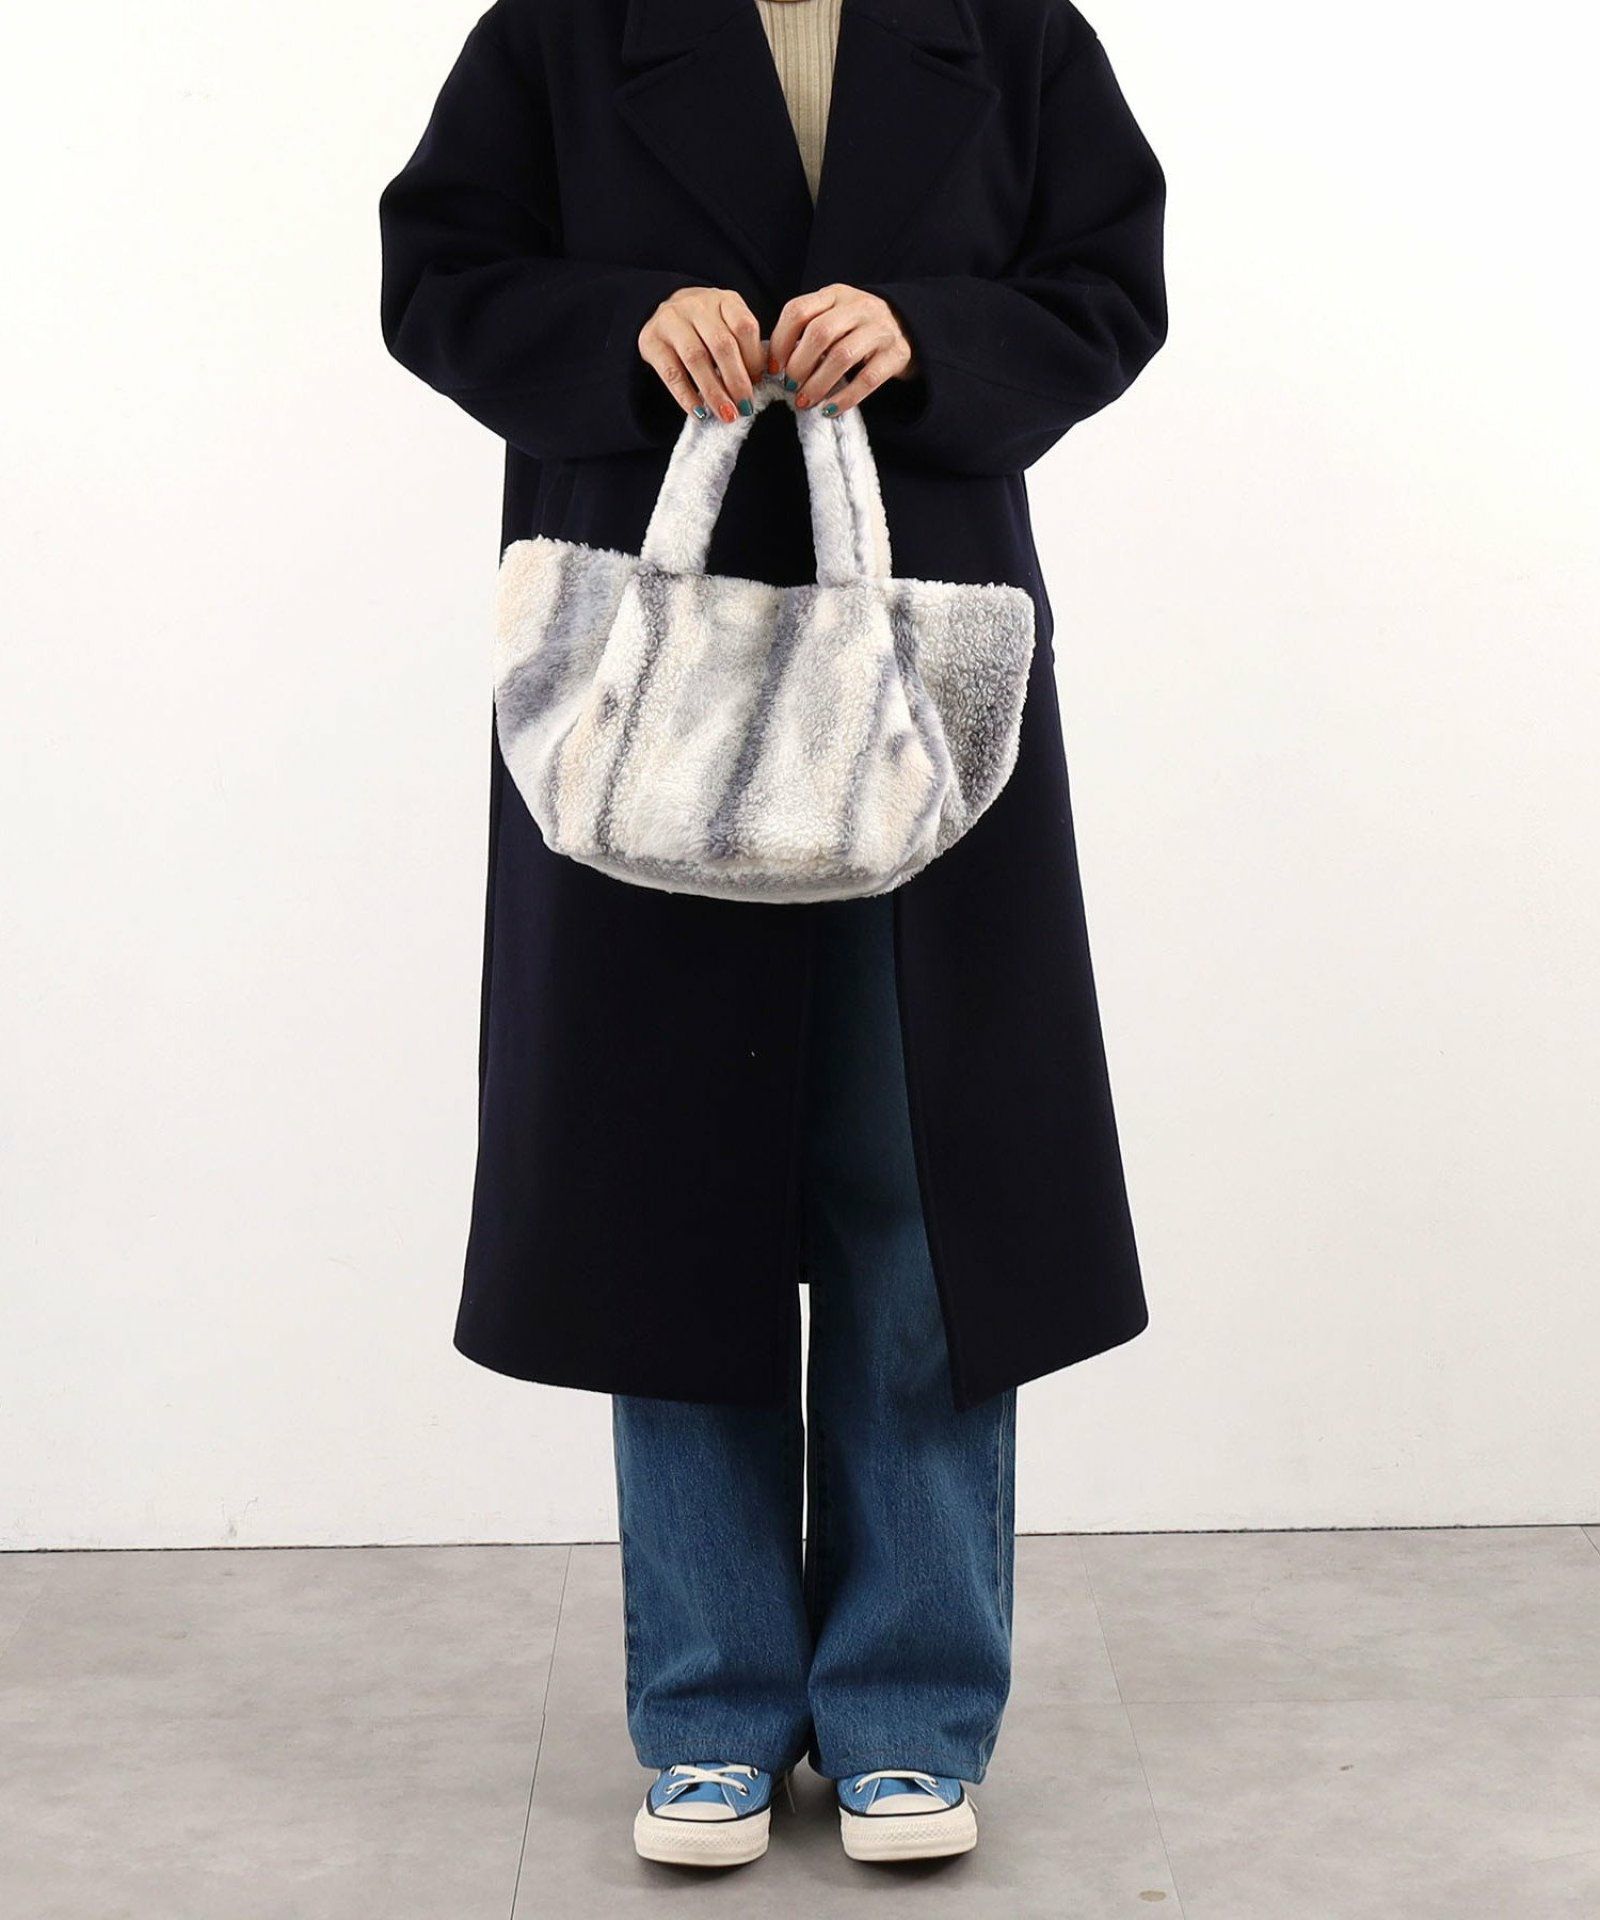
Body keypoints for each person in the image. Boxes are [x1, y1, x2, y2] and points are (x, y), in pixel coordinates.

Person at [379, 0, 1167, 1871]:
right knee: (673, 1205)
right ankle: (713, 1708)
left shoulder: (1006, 27)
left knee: (924, 1195)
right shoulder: (565, 26)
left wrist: (933, 336)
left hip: (920, 689)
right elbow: (437, 274)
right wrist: (621, 328)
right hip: (656, 694)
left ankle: (910, 1710)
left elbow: (1110, 282)